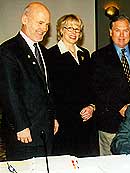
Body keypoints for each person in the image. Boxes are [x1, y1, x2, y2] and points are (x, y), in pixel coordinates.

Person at [0, 2, 59, 161]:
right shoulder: (8, 50)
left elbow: (47, 89)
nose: (44, 28)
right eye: (40, 23)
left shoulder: (44, 52)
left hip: (45, 130)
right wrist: (21, 126)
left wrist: (52, 117)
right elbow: (10, 93)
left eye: (47, 24)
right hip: (24, 134)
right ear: (25, 19)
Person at [91, 14, 130, 155]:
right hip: (110, 122)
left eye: (125, 31)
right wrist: (119, 106)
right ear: (110, 32)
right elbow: (98, 89)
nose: (122, 35)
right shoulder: (98, 56)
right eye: (117, 30)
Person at [45, 14, 98, 157]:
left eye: (77, 29)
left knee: (87, 162)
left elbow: (92, 85)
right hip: (64, 121)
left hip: (86, 118)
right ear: (61, 30)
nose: (74, 32)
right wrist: (53, 117)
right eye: (70, 28)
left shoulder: (84, 54)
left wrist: (92, 106)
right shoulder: (50, 55)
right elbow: (49, 91)